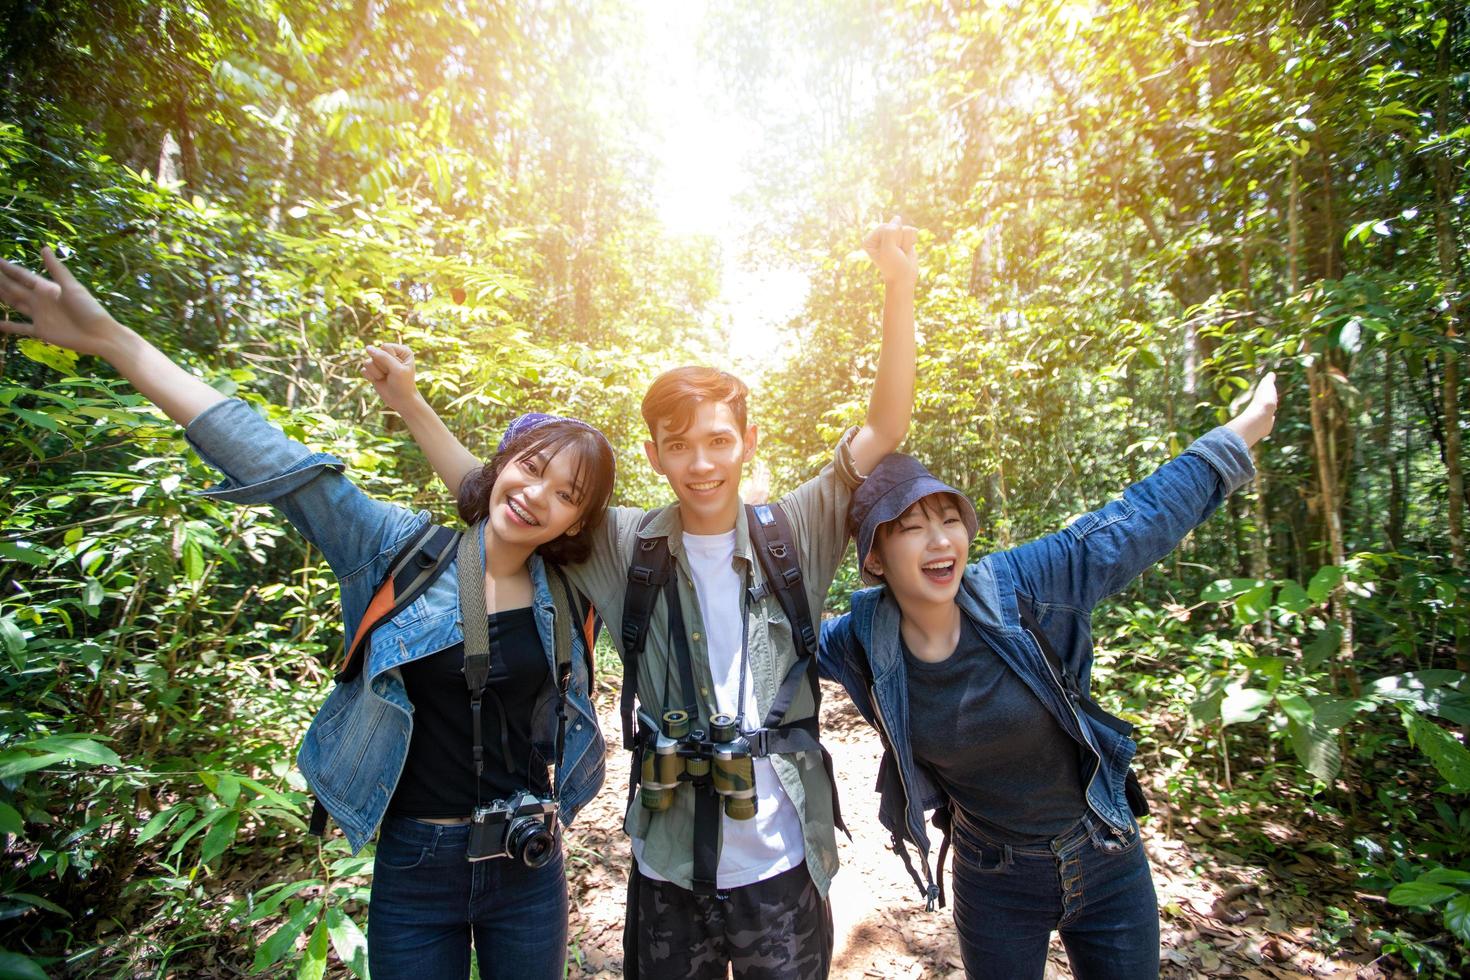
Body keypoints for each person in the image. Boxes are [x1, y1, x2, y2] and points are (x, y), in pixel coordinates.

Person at [0, 248, 617, 980]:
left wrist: (415, 409)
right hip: (417, 863)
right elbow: (269, 459)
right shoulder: (397, 551)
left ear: (578, 522)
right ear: (503, 464)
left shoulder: (574, 594)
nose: (539, 494)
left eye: (567, 494)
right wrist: (115, 340)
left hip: (529, 864)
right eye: (532, 467)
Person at [368, 217, 920, 978]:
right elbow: (495, 493)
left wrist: (899, 286)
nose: (702, 463)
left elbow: (884, 425)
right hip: (666, 870)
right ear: (655, 453)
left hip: (784, 860)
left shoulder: (797, 528)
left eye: (719, 441)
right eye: (680, 445)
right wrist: (409, 404)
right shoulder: (625, 543)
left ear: (747, 441)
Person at [817, 374, 1280, 980]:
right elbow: (764, 644)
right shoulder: (858, 639)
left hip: (1106, 854)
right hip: (994, 879)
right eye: (910, 528)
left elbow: (1130, 525)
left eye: (950, 519)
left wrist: (1238, 433)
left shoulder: (1020, 585)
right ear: (875, 557)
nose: (940, 541)